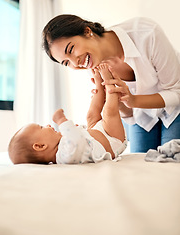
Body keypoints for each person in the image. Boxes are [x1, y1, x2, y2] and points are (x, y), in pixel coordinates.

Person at [42, 14, 180, 153]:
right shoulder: (93, 65)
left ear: (87, 31)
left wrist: (133, 100)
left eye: (70, 49)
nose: (75, 63)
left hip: (175, 107)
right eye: (66, 62)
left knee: (169, 160)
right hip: (142, 115)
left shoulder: (146, 33)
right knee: (140, 164)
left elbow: (176, 92)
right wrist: (116, 101)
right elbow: (129, 113)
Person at [8, 64, 127, 164]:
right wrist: (61, 121)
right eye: (41, 127)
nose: (48, 125)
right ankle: (109, 83)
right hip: (112, 139)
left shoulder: (63, 148)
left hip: (96, 133)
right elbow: (76, 140)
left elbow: (78, 138)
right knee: (109, 112)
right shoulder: (64, 156)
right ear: (40, 146)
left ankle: (99, 86)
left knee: (91, 115)